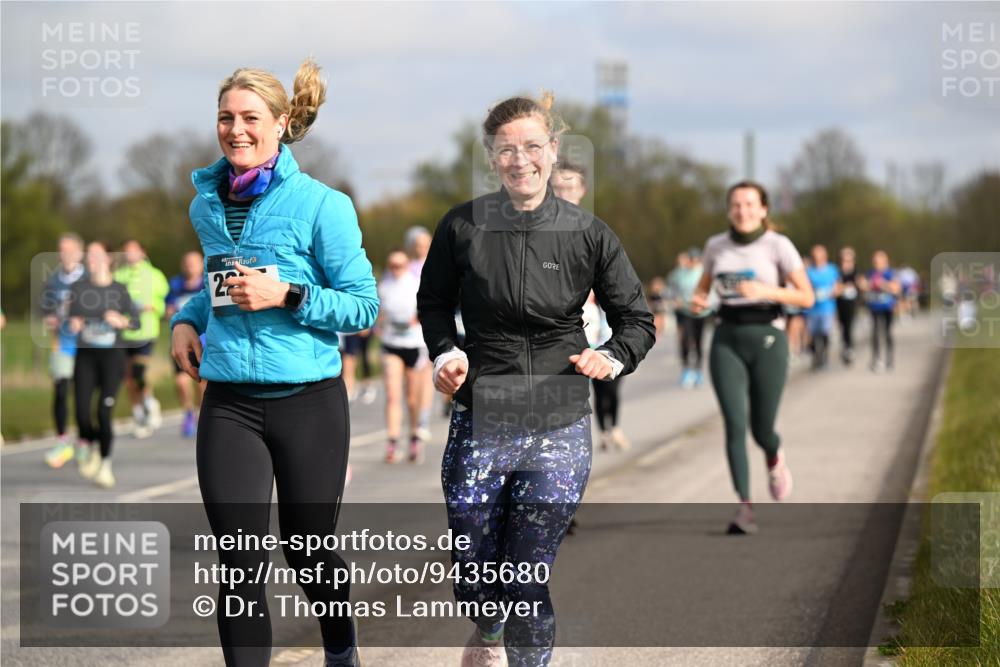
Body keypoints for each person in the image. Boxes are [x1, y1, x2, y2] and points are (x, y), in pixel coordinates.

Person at [418, 92, 655, 667]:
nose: (519, 159)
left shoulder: (587, 233)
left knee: (525, 576)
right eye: (506, 150)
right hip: (483, 415)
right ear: (491, 158)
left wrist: (612, 355)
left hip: (558, 419)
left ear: (552, 151)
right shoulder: (462, 226)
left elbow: (638, 320)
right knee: (476, 571)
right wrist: (446, 352)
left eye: (531, 147)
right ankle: (488, 630)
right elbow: (433, 303)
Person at [169, 59, 378, 667]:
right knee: (239, 561)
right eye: (226, 118)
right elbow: (217, 281)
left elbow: (362, 307)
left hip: (309, 402)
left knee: (308, 548)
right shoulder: (206, 206)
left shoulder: (323, 205)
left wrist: (286, 293)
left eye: (250, 118)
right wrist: (186, 318)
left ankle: (340, 649)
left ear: (282, 124)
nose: (236, 130)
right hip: (230, 402)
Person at [690, 181, 814, 535]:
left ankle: (774, 456)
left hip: (768, 340)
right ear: (729, 210)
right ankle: (744, 507)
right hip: (726, 338)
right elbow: (701, 291)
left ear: (763, 209)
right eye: (736, 205)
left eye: (749, 204)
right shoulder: (716, 246)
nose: (742, 211)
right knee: (734, 423)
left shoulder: (778, 245)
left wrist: (765, 290)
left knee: (762, 430)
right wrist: (699, 303)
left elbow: (806, 298)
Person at [552, 163, 630, 452]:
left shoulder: (594, 233)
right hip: (558, 330)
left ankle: (613, 427)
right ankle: (595, 434)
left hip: (598, 322)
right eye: (557, 187)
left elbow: (619, 292)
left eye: (569, 187)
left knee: (608, 382)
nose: (563, 193)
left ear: (582, 191)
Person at [67, 241, 140, 488]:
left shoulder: (119, 289)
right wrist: (73, 322)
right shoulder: (79, 288)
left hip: (112, 358)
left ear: (109, 259)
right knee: (81, 414)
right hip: (85, 357)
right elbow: (70, 317)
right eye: (89, 256)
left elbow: (136, 322)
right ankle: (91, 444)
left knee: (103, 412)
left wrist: (122, 321)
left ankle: (105, 465)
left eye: (98, 255)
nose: (93, 260)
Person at [41, 232, 88, 468]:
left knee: (83, 395)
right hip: (63, 344)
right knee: (60, 390)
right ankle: (62, 440)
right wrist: (51, 321)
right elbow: (47, 311)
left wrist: (84, 320)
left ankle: (83, 441)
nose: (65, 254)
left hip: (87, 345)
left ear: (80, 253)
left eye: (70, 250)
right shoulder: (53, 282)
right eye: (62, 250)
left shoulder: (90, 279)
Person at [114, 239, 169, 438]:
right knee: (128, 379)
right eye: (126, 251)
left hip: (145, 331)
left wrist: (152, 306)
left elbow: (162, 303)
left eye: (133, 251)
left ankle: (150, 404)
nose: (129, 254)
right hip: (124, 333)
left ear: (142, 252)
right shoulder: (118, 275)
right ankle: (138, 414)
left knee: (139, 373)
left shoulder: (154, 275)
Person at [378, 248, 429, 464]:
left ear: (407, 265)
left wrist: (417, 319)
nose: (395, 269)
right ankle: (392, 442)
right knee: (392, 395)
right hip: (391, 344)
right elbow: (378, 313)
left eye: (399, 265)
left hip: (414, 345)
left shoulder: (416, 284)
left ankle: (415, 436)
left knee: (411, 398)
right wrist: (379, 325)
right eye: (392, 266)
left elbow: (429, 309)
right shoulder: (384, 286)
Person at [166, 251, 208, 437]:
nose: (191, 266)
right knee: (181, 381)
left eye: (194, 262)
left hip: (204, 340)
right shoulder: (176, 285)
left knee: (201, 381)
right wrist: (177, 319)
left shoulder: (207, 283)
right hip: (182, 340)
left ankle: (201, 412)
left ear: (201, 264)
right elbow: (167, 310)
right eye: (187, 262)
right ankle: (188, 411)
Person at [405, 225, 435, 442]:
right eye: (418, 245)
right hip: (410, 332)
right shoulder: (408, 268)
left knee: (426, 375)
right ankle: (415, 420)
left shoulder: (437, 264)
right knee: (412, 385)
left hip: (428, 326)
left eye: (425, 245)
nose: (421, 249)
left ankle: (423, 419)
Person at [667, 248, 710, 387]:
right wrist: (675, 299)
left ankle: (698, 370)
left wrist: (705, 303)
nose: (693, 262)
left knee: (698, 341)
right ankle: (686, 369)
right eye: (691, 259)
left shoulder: (704, 273)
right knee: (685, 340)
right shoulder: (679, 273)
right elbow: (669, 289)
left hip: (700, 313)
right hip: (684, 311)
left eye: (695, 260)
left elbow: (712, 291)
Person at [858, 250, 901, 372]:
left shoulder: (890, 273)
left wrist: (883, 285)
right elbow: (863, 286)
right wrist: (866, 285)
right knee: (875, 333)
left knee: (887, 333)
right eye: (875, 261)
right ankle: (876, 359)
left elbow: (896, 289)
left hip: (887, 307)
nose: (877, 263)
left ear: (885, 261)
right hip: (874, 306)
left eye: (880, 260)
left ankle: (889, 360)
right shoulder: (870, 273)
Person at [805, 244, 841, 371]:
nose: (817, 257)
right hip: (812, 308)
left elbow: (837, 287)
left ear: (825, 255)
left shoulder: (832, 269)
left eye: (819, 254)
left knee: (825, 333)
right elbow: (805, 287)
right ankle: (816, 358)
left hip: (827, 307)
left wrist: (833, 292)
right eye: (815, 255)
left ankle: (824, 358)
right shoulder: (809, 271)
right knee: (814, 336)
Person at [835, 246, 860, 366]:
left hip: (852, 303)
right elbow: (836, 289)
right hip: (840, 303)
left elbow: (861, 285)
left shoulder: (856, 272)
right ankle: (845, 347)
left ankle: (849, 348)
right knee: (842, 326)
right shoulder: (838, 272)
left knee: (849, 325)